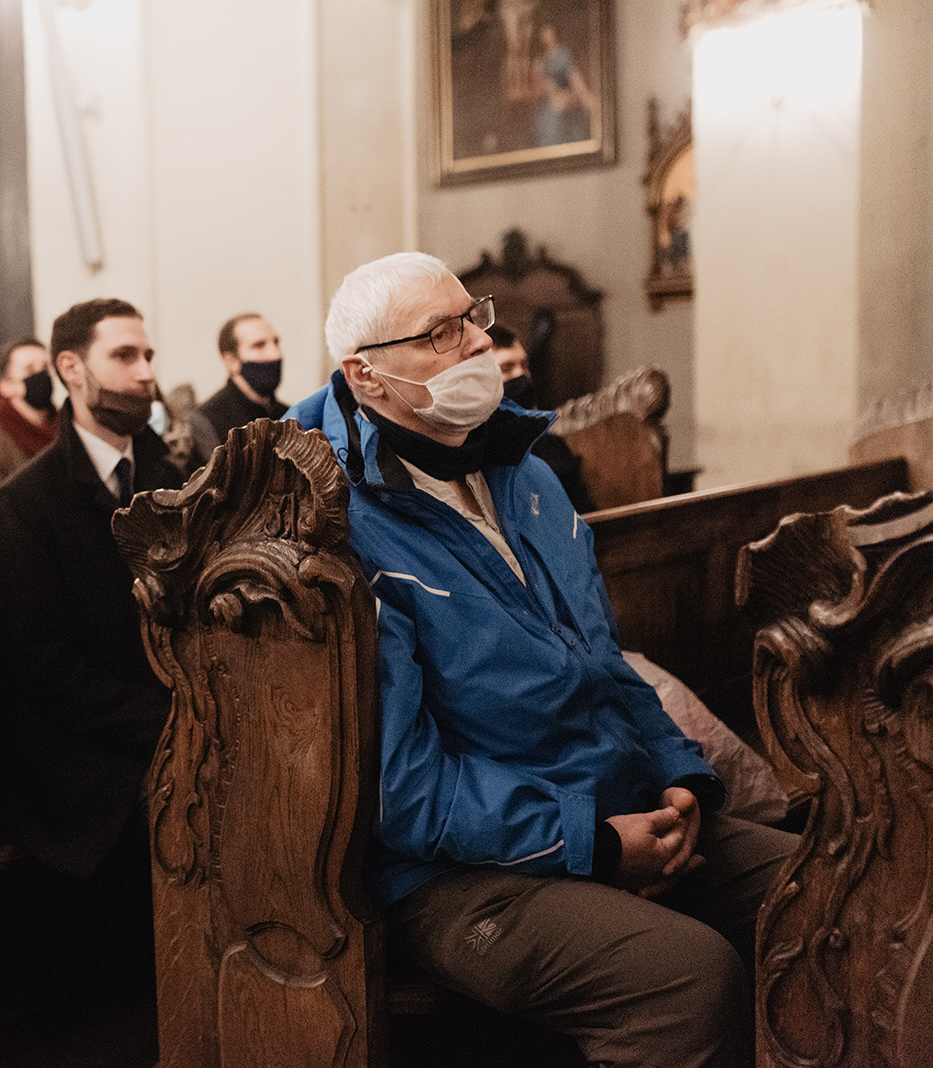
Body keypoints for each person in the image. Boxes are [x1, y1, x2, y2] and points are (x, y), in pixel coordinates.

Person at [290, 252, 796, 1068]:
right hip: (455, 874)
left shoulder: (525, 473)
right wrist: (595, 844)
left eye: (474, 317)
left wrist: (680, 777)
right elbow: (403, 789)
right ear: (366, 375)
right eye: (440, 333)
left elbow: (606, 666)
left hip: (611, 804)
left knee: (838, 887)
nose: (476, 344)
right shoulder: (333, 519)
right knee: (690, 979)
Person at [0, 297, 184, 1003]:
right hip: (81, 747)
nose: (145, 372)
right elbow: (46, 673)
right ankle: (183, 996)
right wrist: (175, 721)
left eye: (148, 355)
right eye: (124, 356)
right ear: (70, 368)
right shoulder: (26, 502)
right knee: (202, 801)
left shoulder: (177, 477)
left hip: (172, 713)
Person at [487, 322, 596, 513]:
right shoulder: (477, 455)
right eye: (506, 368)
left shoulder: (550, 446)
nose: (521, 375)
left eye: (524, 365)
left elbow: (583, 516)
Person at [187, 312, 288, 470]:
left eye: (276, 343)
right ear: (231, 361)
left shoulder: (289, 415)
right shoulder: (207, 421)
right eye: (259, 345)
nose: (276, 354)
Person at [0, 338, 57, 484]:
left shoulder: (69, 428)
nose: (41, 375)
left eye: (45, 368)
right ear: (6, 387)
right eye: (30, 370)